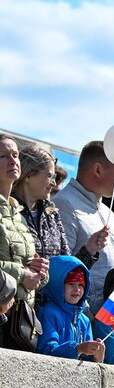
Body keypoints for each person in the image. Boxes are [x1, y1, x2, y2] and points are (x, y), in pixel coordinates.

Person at [52, 141, 114, 313]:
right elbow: (60, 268)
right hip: (84, 320)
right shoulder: (64, 204)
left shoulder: (110, 214)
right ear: (98, 169)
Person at [11, 145, 100, 272]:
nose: (53, 183)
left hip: (52, 292)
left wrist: (89, 249)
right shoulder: (8, 211)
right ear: (28, 175)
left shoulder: (51, 214)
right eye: (49, 176)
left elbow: (66, 268)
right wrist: (24, 272)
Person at [0, 137, 50, 324]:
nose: (13, 161)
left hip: (21, 321)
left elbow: (32, 275)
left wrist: (41, 272)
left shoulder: (19, 214)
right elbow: (22, 273)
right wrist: (22, 274)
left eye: (15, 155)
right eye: (4, 156)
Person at [36, 255, 104, 362]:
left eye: (81, 285)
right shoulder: (49, 313)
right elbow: (47, 350)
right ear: (57, 285)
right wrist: (77, 349)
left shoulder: (85, 321)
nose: (77, 289)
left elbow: (87, 360)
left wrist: (97, 356)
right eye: (71, 284)